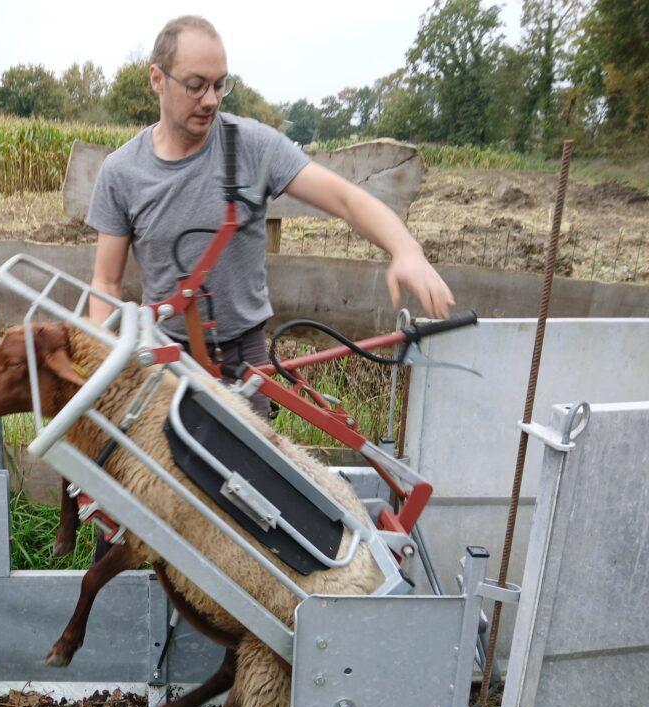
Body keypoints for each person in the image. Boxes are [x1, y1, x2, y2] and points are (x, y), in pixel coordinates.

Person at [85, 15, 455, 419]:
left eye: (220, 84)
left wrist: (405, 249)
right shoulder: (121, 172)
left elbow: (346, 199)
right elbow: (106, 281)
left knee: (253, 480)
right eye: (195, 85)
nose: (210, 100)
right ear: (158, 79)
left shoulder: (253, 147)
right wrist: (104, 365)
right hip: (167, 360)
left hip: (246, 359)